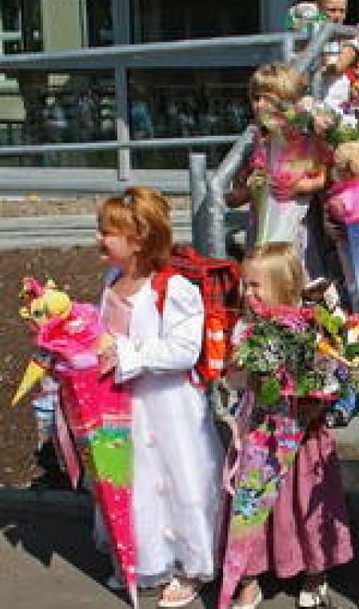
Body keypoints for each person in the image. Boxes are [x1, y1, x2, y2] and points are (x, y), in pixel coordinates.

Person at [94, 187, 222, 608]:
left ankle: (192, 564)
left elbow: (185, 349)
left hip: (168, 406)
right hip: (123, 402)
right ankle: (146, 559)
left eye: (107, 232)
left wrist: (127, 353)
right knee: (136, 481)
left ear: (138, 240)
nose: (99, 239)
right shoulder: (113, 279)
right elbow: (102, 330)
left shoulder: (174, 288)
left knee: (179, 478)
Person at [224, 243, 354, 609]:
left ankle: (315, 569)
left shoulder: (311, 324)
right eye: (245, 286)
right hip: (262, 429)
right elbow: (235, 382)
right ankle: (249, 576)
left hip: (305, 432)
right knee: (250, 501)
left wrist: (318, 395)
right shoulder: (247, 330)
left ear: (285, 287)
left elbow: (334, 373)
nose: (247, 294)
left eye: (255, 287)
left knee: (307, 500)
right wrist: (241, 370)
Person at [232, 64, 328, 252]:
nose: (259, 104)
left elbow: (324, 174)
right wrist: (248, 189)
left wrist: (300, 186)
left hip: (295, 219)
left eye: (267, 99)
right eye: (256, 98)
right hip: (263, 219)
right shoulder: (262, 138)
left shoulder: (302, 135)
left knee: (292, 267)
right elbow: (249, 185)